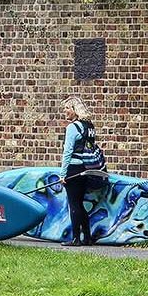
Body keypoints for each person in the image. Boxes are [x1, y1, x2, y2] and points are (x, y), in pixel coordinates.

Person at [59, 96, 104, 246]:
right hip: (87, 168)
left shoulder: (73, 127)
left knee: (74, 204)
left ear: (74, 109)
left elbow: (67, 152)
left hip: (74, 168)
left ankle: (76, 239)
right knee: (80, 204)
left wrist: (63, 174)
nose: (65, 111)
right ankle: (88, 237)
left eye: (67, 108)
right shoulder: (89, 126)